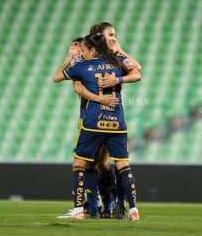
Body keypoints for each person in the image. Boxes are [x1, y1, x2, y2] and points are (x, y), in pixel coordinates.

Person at [60, 33, 141, 220]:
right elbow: (137, 71)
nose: (83, 51)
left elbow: (58, 78)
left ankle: (80, 209)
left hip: (93, 122)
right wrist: (118, 75)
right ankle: (133, 209)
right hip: (117, 123)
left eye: (84, 49)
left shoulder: (82, 65)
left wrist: (70, 57)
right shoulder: (117, 62)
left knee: (81, 163)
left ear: (92, 49)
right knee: (123, 166)